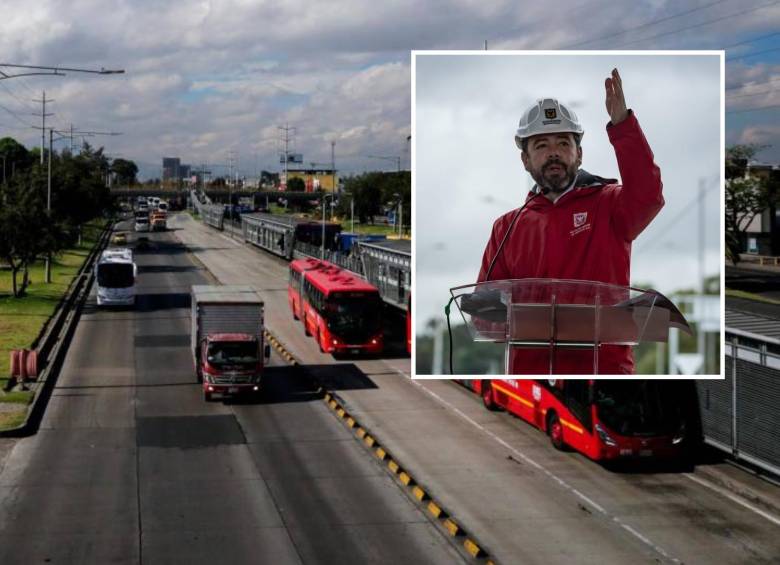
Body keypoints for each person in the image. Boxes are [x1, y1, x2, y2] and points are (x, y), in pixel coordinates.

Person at [477, 68, 663, 375]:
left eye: (563, 143)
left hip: (604, 374)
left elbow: (648, 195)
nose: (554, 153)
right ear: (526, 160)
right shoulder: (506, 227)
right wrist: (510, 321)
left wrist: (623, 126)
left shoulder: (611, 204)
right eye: (541, 145)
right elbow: (484, 313)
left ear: (578, 155)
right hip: (533, 376)